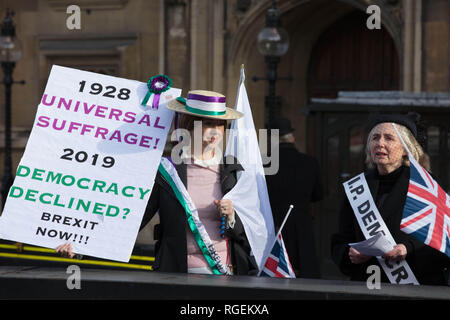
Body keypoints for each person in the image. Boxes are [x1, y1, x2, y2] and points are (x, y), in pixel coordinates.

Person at [57, 90, 257, 276]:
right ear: (189, 126)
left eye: (220, 124)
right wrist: (82, 247)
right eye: (207, 123)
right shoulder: (166, 171)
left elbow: (250, 228)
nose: (215, 131)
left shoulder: (232, 170)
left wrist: (231, 217)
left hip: (225, 272)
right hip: (176, 273)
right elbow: (133, 219)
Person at [331, 113, 449, 285]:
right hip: (369, 282)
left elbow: (442, 236)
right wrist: (349, 253)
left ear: (406, 148)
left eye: (389, 138)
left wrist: (407, 249)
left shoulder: (425, 185)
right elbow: (340, 238)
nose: (380, 143)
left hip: (415, 282)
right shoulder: (357, 186)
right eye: (375, 138)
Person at [265, 117, 323, 278]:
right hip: (301, 223)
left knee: (274, 270)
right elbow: (319, 194)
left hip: (273, 223)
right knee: (305, 271)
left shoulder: (263, 162)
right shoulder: (310, 162)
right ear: (292, 138)